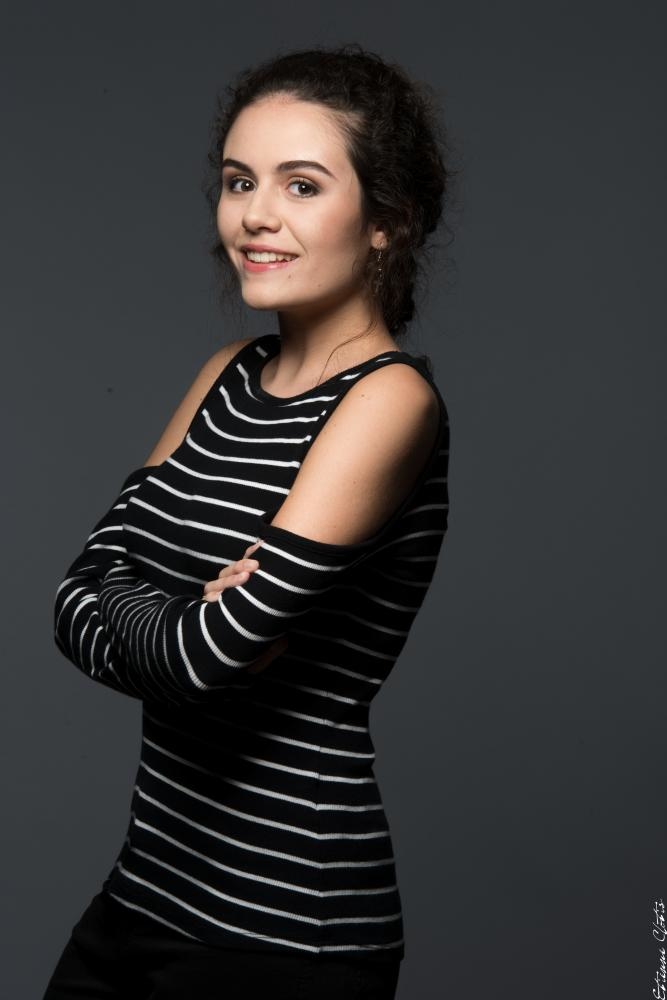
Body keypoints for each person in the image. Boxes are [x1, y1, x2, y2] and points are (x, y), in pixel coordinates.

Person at [43, 42, 454, 1000]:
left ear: (387, 220)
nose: (255, 215)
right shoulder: (227, 375)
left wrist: (164, 616)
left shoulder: (387, 401)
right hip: (142, 895)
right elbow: (72, 597)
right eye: (239, 182)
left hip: (282, 931)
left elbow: (204, 658)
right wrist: (184, 619)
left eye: (301, 185)